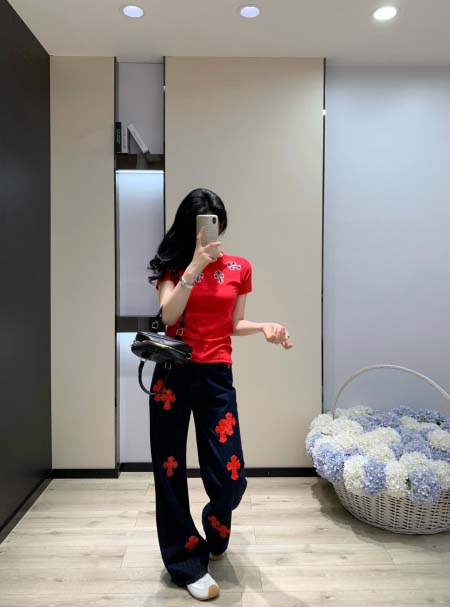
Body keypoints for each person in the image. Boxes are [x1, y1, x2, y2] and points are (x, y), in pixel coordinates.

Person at [147, 187, 293, 600]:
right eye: (203, 222)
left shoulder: (239, 268)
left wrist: (263, 327)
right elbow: (169, 315)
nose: (211, 229)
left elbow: (232, 323)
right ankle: (184, 562)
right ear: (189, 227)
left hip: (216, 377)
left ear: (221, 224)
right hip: (173, 375)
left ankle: (214, 526)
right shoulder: (174, 266)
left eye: (215, 221)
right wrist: (194, 266)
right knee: (170, 472)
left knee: (230, 476)